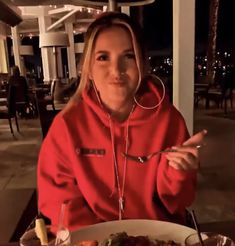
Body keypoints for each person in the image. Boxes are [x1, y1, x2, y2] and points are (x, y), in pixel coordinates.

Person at [37, 12, 207, 232]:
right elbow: (57, 200)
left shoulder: (169, 120)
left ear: (142, 66)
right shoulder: (67, 126)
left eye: (128, 56)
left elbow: (179, 202)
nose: (116, 70)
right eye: (103, 57)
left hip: (159, 236)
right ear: (87, 69)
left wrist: (179, 173)